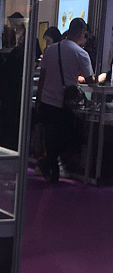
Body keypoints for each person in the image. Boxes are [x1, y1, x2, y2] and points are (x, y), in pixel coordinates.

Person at [36, 17, 94, 183]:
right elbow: (90, 81)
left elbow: (42, 77)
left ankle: (52, 168)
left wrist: (39, 98)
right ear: (81, 32)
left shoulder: (51, 50)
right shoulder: (81, 53)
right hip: (64, 103)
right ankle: (53, 166)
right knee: (67, 137)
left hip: (47, 100)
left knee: (50, 137)